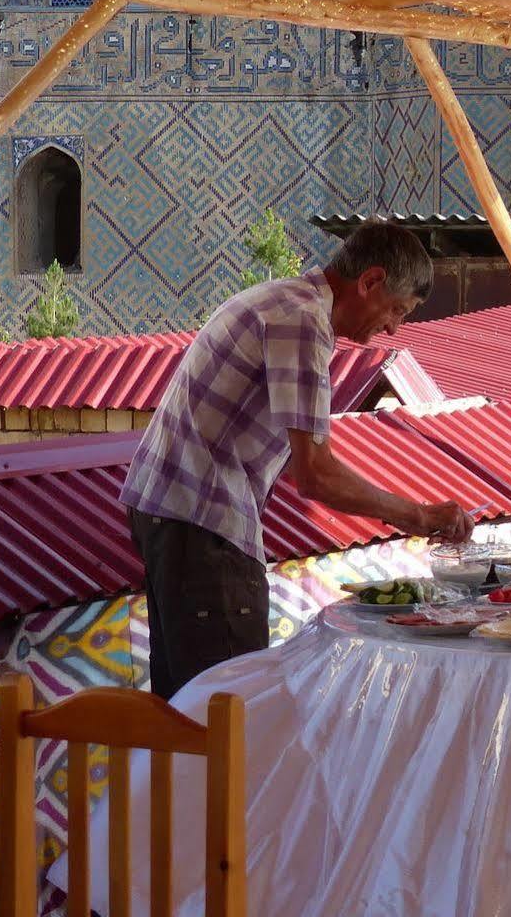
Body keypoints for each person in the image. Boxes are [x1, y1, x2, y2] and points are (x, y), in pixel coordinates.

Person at [121, 219, 471, 697]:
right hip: (203, 520)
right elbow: (316, 475)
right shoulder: (302, 321)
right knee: (228, 710)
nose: (392, 327)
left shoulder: (283, 299)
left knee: (186, 702)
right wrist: (417, 514)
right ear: (369, 281)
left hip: (168, 511)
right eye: (397, 310)